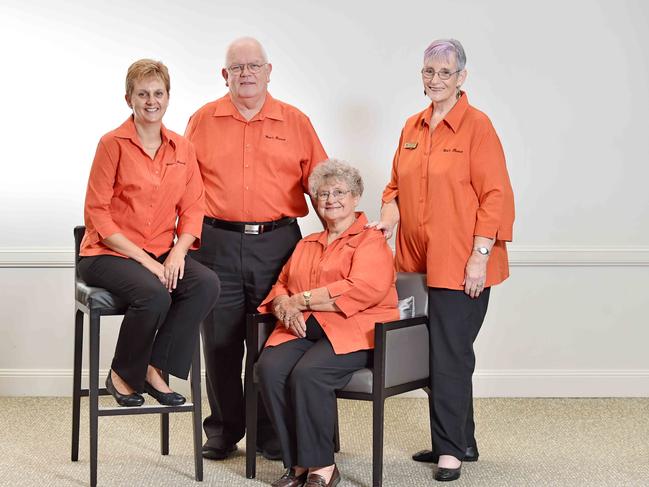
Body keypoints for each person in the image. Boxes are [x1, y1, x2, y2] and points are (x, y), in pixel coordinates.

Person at [369, 39, 515, 482]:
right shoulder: (412, 126)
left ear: (462, 78)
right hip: (417, 263)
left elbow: (496, 196)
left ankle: (449, 450)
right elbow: (394, 186)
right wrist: (389, 217)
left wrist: (479, 256)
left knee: (449, 354)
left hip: (463, 263)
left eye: (445, 73)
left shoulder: (478, 126)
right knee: (437, 351)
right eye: (428, 72)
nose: (435, 80)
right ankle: (461, 440)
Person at [185, 37, 328, 461]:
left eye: (254, 66)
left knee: (273, 339)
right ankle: (224, 431)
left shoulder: (296, 121)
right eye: (237, 67)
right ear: (223, 74)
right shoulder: (201, 121)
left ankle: (269, 434)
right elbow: (184, 187)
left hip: (279, 244)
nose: (246, 73)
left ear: (269, 71)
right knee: (220, 340)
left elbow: (322, 189)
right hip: (216, 243)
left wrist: (338, 245)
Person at [79, 59, 220, 408]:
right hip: (105, 255)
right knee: (155, 293)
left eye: (158, 93)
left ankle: (155, 366)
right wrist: (149, 263)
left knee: (205, 283)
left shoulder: (183, 149)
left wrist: (177, 253)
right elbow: (97, 214)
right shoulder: (112, 144)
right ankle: (122, 373)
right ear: (129, 98)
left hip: (160, 252)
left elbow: (193, 208)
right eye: (142, 94)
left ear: (168, 97)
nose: (151, 100)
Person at [256, 159, 398, 487]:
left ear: (356, 197)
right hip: (305, 327)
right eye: (322, 194)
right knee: (270, 368)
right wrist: (282, 304)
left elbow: (364, 288)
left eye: (339, 192)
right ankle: (297, 464)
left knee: (310, 373)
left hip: (356, 330)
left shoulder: (370, 239)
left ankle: (322, 466)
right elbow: (282, 284)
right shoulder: (306, 244)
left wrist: (302, 300)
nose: (330, 199)